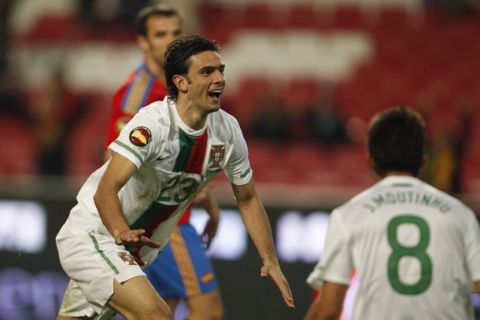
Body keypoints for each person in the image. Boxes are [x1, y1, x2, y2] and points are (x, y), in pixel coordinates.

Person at [56, 34, 294, 319]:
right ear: (181, 82)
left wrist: (270, 258)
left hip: (136, 252)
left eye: (221, 70)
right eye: (207, 72)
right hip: (96, 235)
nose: (219, 79)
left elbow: (248, 198)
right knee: (157, 315)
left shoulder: (227, 131)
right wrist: (121, 231)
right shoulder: (152, 124)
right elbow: (105, 189)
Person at [103, 4, 223, 318]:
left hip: (169, 214)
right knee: (207, 310)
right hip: (159, 218)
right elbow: (115, 162)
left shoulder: (180, 86)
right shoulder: (137, 96)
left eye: (175, 33)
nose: (170, 41)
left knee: (160, 310)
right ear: (143, 41)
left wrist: (206, 199)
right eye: (160, 34)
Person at [305, 106, 480, 320]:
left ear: (370, 159)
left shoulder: (349, 215)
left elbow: (329, 309)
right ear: (423, 161)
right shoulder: (460, 214)